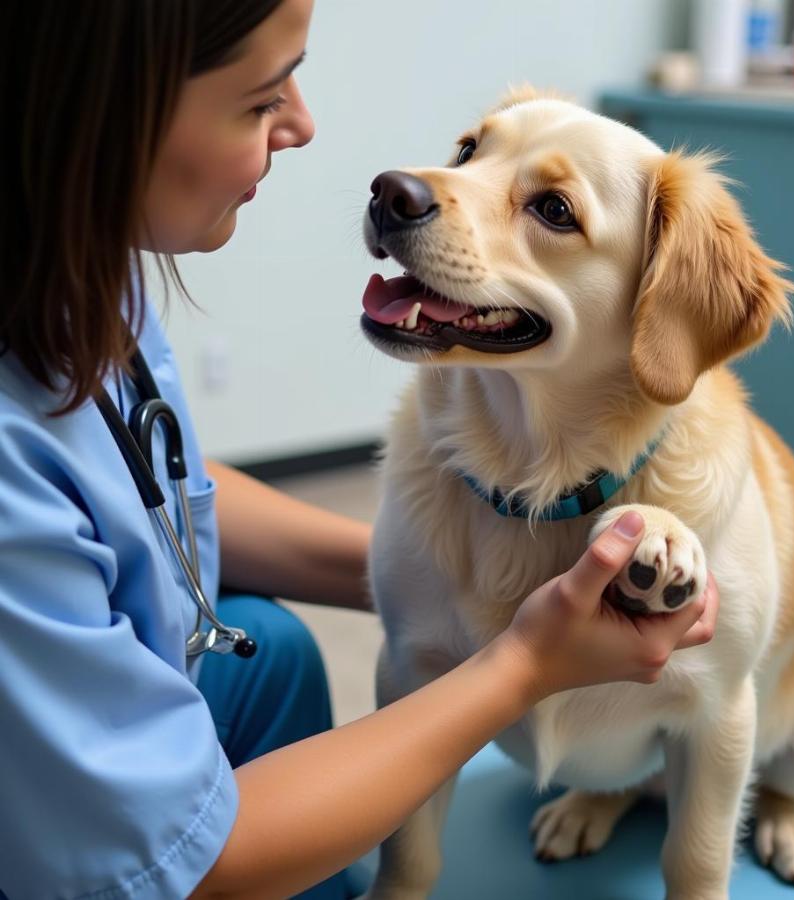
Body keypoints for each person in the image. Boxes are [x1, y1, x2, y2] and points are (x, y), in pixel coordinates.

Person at [0, 1, 720, 898]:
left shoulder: (75, 276)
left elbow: (135, 485)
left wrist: (416, 574)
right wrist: (523, 662)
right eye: (262, 100)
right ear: (99, 112)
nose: (303, 123)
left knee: (274, 647)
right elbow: (191, 863)